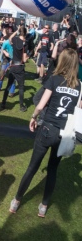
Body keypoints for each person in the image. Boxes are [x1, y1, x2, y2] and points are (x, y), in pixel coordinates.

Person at [10, 48, 80, 218]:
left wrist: (33, 117)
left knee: (33, 166)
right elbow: (78, 112)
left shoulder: (54, 79)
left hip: (48, 129)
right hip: (64, 134)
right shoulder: (80, 86)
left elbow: (41, 105)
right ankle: (44, 205)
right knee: (53, 169)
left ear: (62, 61)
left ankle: (17, 200)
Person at [1, 27, 27, 112]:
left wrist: (17, 30)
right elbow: (25, 59)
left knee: (8, 85)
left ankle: (3, 103)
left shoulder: (15, 40)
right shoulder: (25, 44)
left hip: (13, 67)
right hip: (20, 67)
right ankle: (21, 106)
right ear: (25, 34)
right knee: (21, 87)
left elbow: (10, 38)